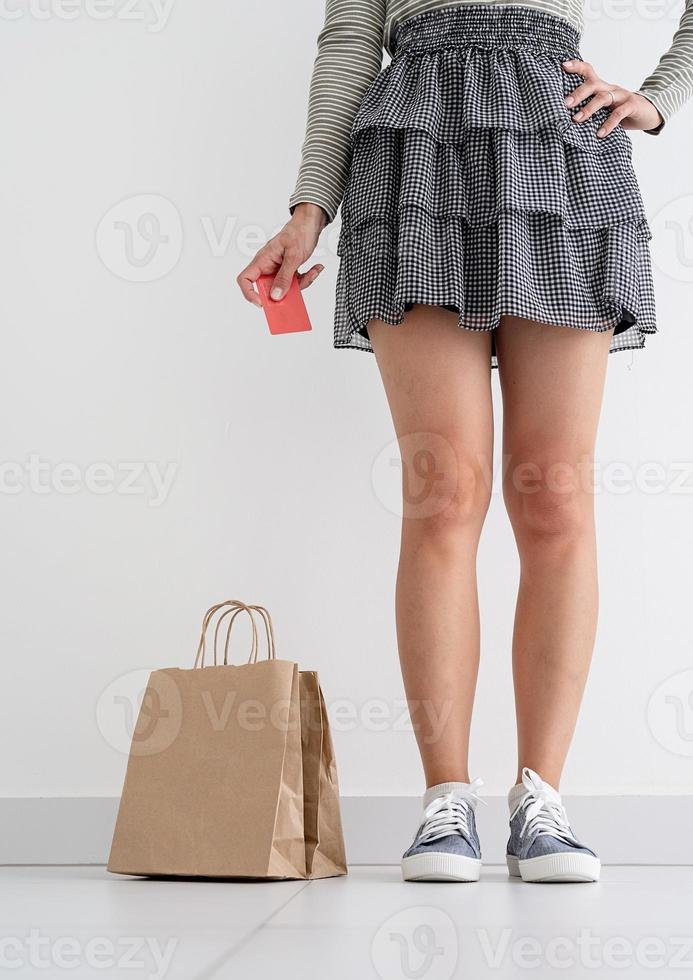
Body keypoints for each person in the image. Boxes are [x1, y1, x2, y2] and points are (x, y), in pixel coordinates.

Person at [237, 0, 693, 883]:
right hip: (411, 161)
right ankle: (446, 800)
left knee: (553, 494)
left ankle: (542, 801)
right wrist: (307, 210)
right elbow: (346, 46)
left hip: (560, 155)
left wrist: (660, 96)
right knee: (443, 493)